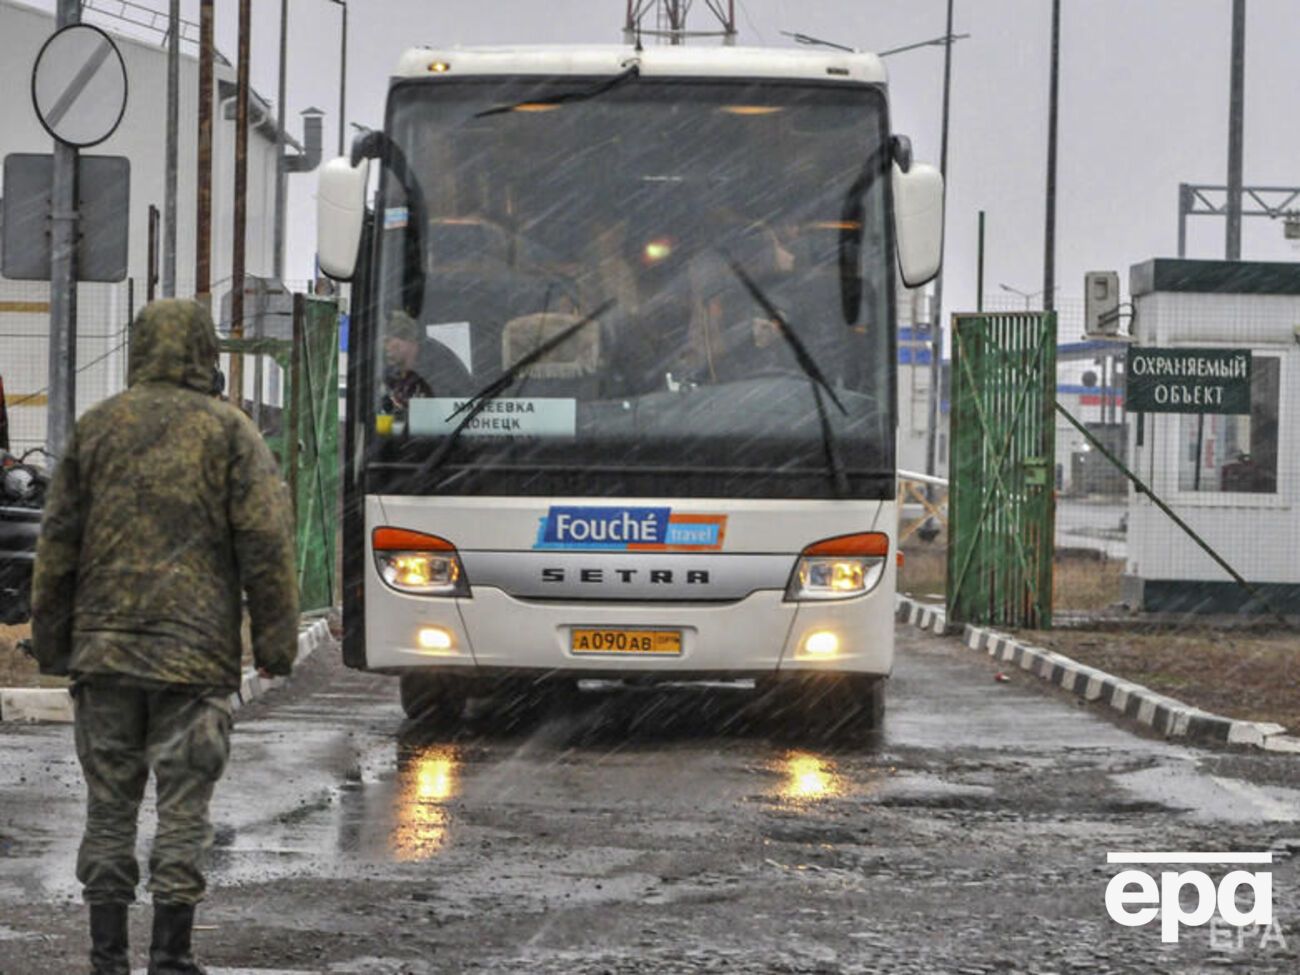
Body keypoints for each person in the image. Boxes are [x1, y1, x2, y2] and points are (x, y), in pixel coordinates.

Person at [30, 299, 299, 975]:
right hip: (194, 656)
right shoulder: (231, 434)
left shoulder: (98, 429)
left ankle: (106, 952)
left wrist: (54, 642)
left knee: (110, 806)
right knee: (184, 804)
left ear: (138, 347)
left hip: (106, 653)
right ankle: (172, 953)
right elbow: (266, 544)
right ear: (206, 352)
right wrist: (274, 645)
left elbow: (56, 543)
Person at [382, 309, 473, 414]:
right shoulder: (390, 373)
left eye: (388, 340)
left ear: (406, 339)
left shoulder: (441, 367)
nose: (385, 347)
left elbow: (449, 412)